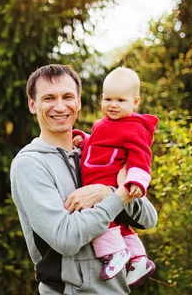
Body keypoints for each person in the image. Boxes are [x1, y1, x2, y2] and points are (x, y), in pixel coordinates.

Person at [10, 64, 158, 294]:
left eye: (67, 97)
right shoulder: (30, 164)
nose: (60, 106)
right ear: (32, 104)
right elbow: (66, 239)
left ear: (78, 102)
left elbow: (149, 219)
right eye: (49, 98)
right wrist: (119, 195)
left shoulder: (96, 151)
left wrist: (107, 192)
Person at [72, 67, 158, 287]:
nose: (113, 104)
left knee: (102, 218)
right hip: (97, 178)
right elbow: (99, 144)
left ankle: (113, 253)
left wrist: (137, 180)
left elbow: (141, 156)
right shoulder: (102, 124)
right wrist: (84, 139)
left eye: (121, 100)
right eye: (108, 98)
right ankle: (138, 258)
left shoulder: (135, 128)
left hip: (110, 181)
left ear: (135, 102)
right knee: (120, 224)